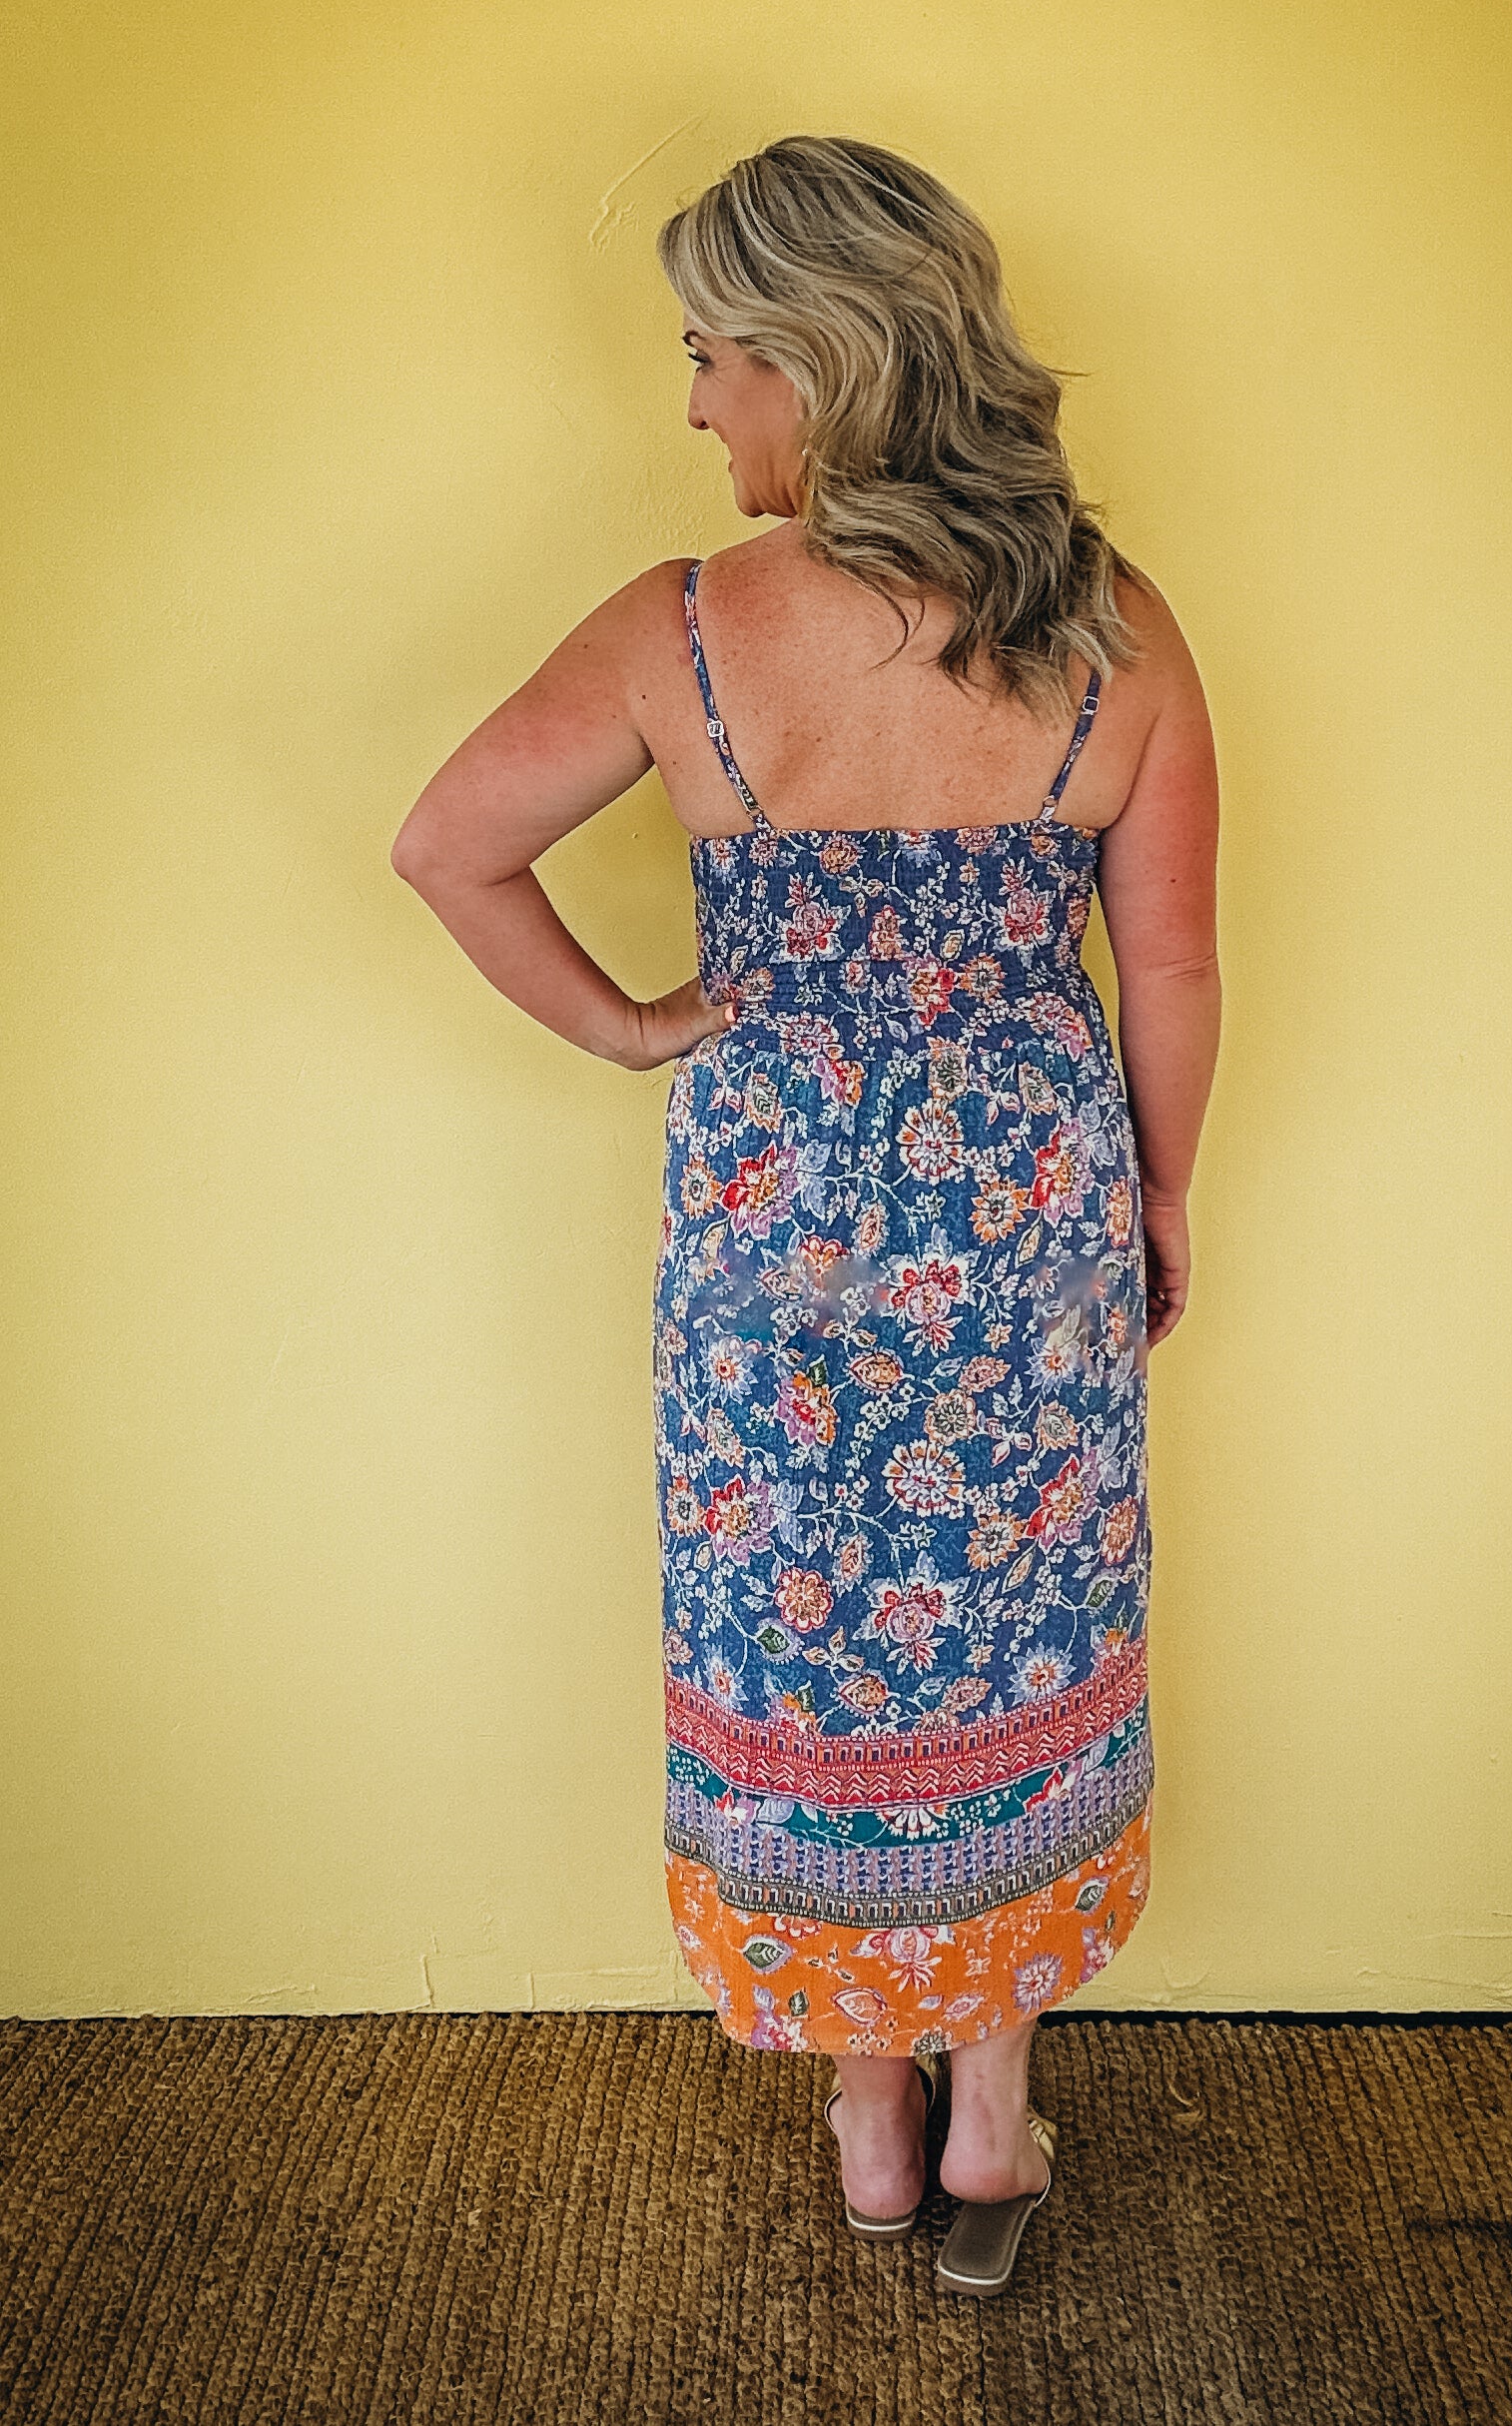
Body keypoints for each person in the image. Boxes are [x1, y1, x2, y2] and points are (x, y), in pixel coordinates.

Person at [391, 135, 1220, 2295]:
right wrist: (1157, 1188)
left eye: (709, 355)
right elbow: (1168, 961)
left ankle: (866, 2110)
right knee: (1011, 1622)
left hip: (779, 1249)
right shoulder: (1112, 630)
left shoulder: (680, 631)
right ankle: (990, 2115)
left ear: (817, 358)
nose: (692, 406)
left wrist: (635, 1026)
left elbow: (447, 843)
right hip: (1029, 1228)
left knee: (813, 1642)